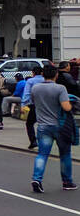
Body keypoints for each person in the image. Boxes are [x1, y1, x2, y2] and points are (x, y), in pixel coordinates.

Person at [28, 64, 76, 193]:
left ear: (43, 74)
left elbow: (33, 102)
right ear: (56, 75)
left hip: (43, 126)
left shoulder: (35, 88)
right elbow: (66, 107)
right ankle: (67, 182)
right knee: (65, 154)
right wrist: (72, 105)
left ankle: (36, 179)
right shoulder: (60, 88)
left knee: (42, 154)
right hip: (60, 126)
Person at [18, 67, 45, 150]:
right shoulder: (45, 80)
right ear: (42, 73)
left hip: (34, 105)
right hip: (45, 105)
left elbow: (27, 94)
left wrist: (23, 105)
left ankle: (33, 141)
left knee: (29, 123)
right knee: (43, 124)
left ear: (33, 73)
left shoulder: (30, 81)